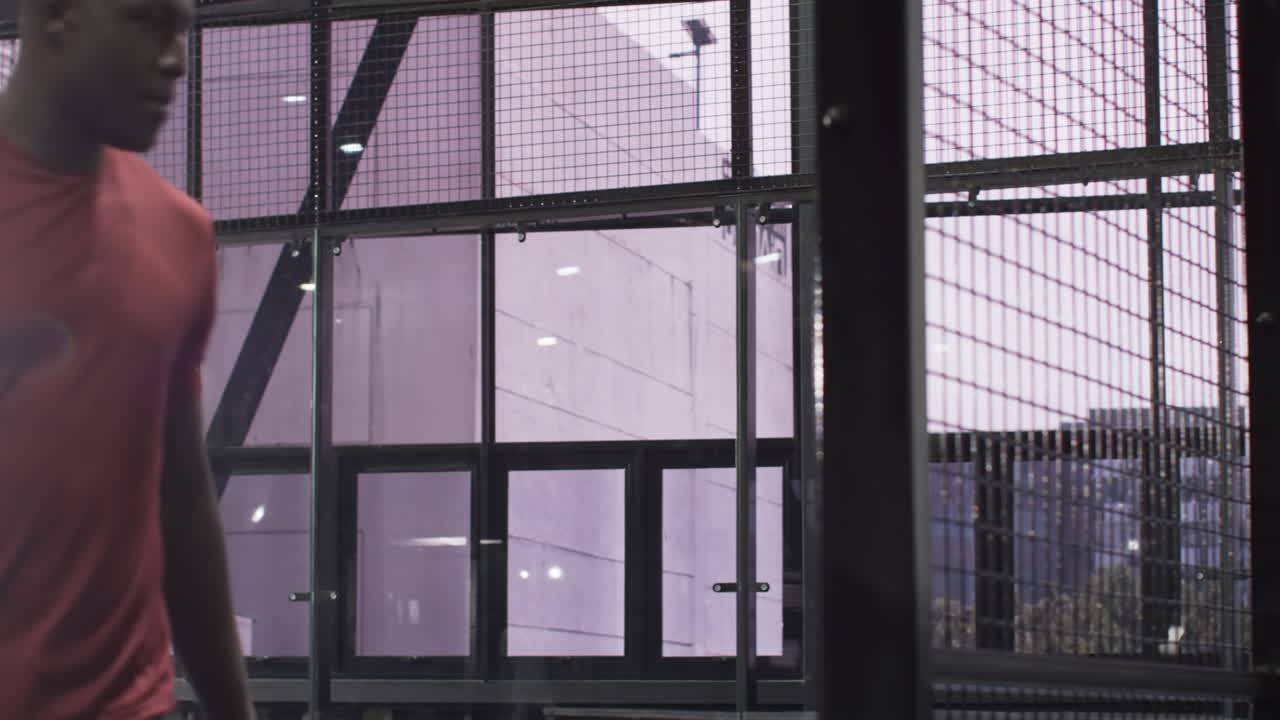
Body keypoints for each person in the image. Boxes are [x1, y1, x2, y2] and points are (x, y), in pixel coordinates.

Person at [0, 0, 255, 717]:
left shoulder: (181, 235)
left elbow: (181, 497)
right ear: (56, 16)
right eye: (147, 23)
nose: (176, 59)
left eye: (182, 30)